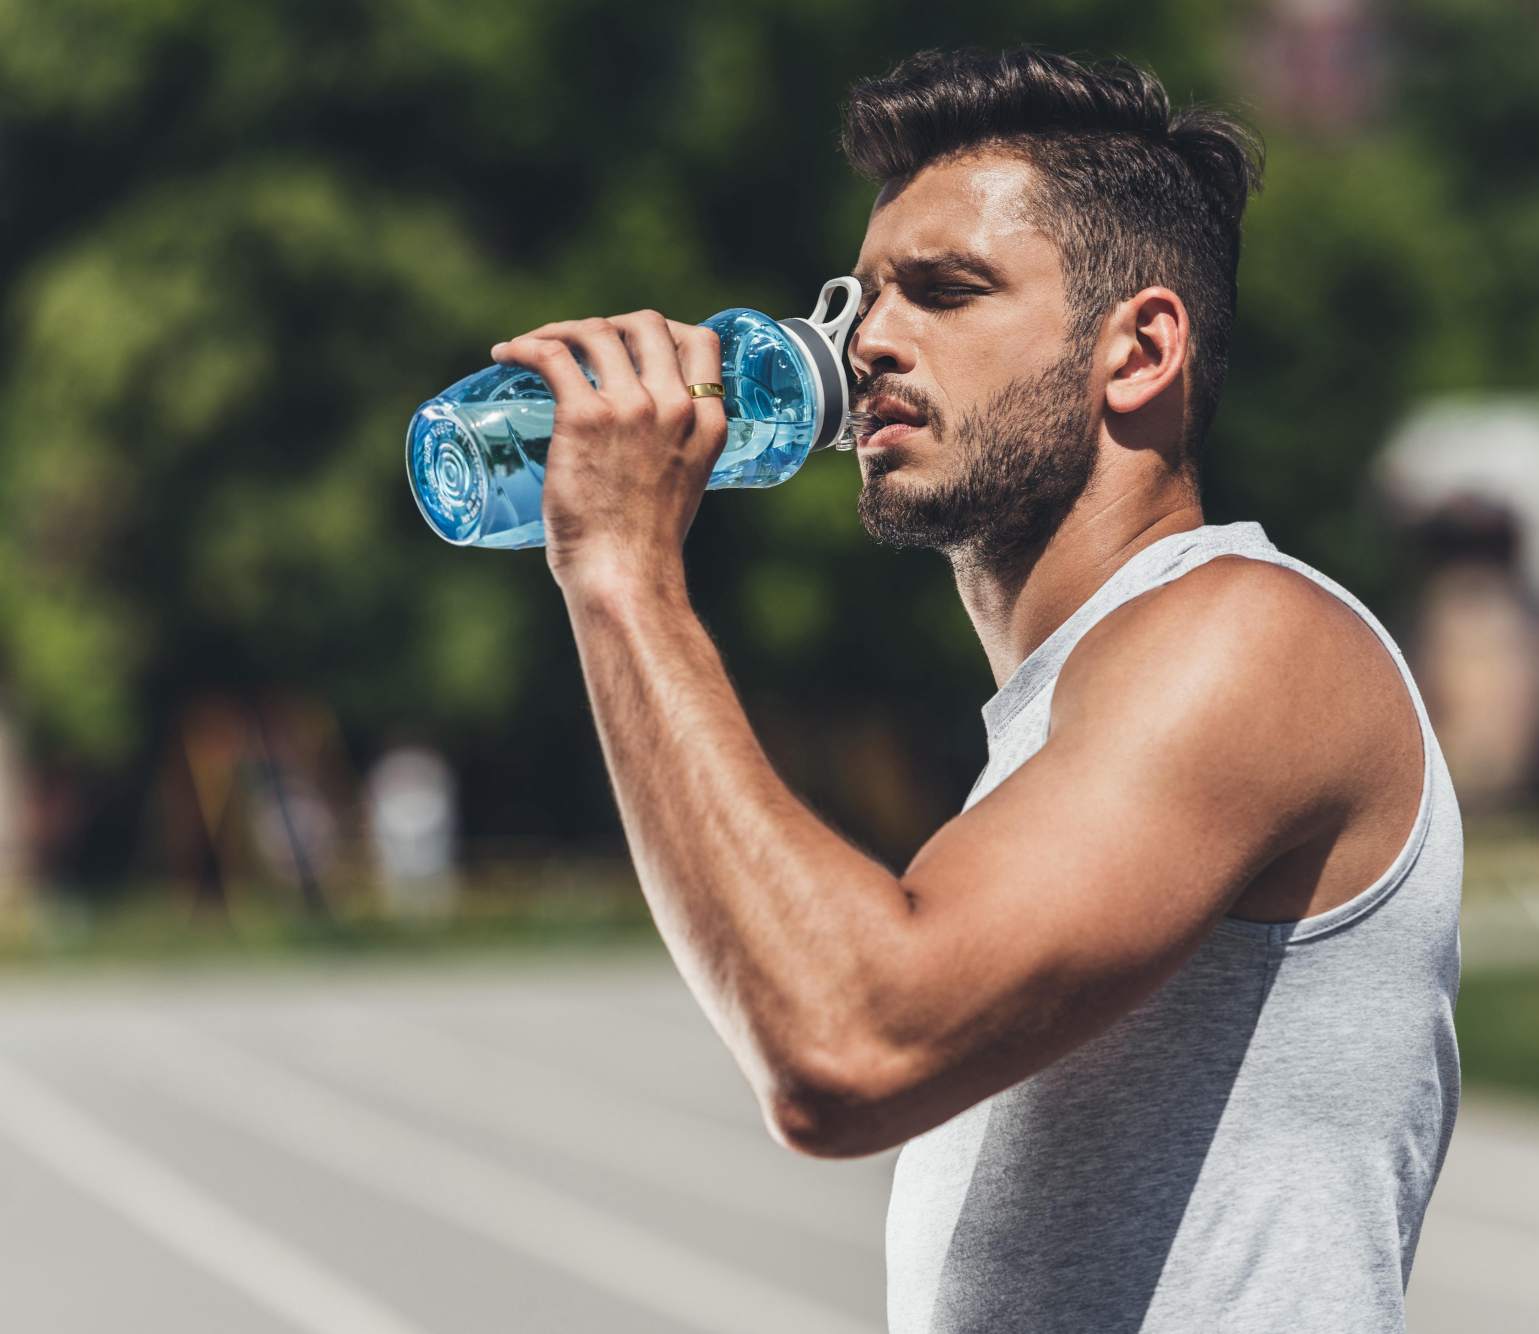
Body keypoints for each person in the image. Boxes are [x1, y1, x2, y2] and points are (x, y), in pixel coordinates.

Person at [491, 44, 1461, 1334]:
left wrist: (621, 574)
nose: (870, 340)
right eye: (863, 297)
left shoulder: (1249, 637)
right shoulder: (1069, 713)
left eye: (946, 293)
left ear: (1140, 351)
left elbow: (847, 1046)